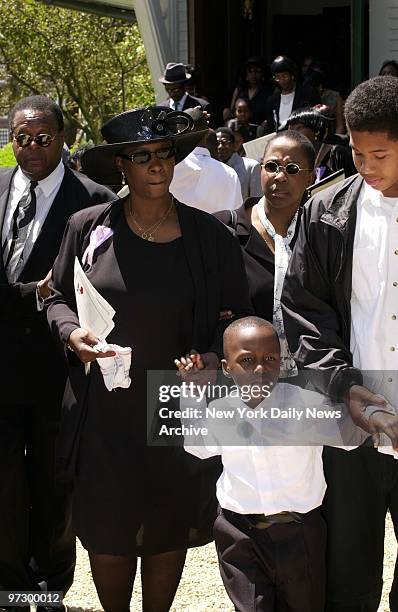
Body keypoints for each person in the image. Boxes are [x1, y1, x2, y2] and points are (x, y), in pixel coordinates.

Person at [46, 106, 252, 612]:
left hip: (174, 406)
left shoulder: (211, 236)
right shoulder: (87, 227)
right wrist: (73, 334)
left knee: (167, 527)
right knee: (109, 530)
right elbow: (54, 298)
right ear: (122, 165)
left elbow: (238, 318)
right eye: (143, 156)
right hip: (105, 410)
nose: (158, 165)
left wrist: (211, 354)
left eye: (165, 154)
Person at [281, 75, 398, 611]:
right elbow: (305, 307)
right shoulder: (327, 211)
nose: (367, 166)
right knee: (347, 566)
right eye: (356, 151)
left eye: (380, 153)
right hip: (354, 418)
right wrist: (341, 384)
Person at [0, 95, 114, 606]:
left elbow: (98, 283)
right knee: (3, 486)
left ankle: (48, 589)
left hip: (60, 369)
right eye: (22, 137)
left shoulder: (94, 198)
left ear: (63, 138)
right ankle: (10, 589)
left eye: (43, 137)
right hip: (0, 368)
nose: (32, 147)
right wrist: (34, 291)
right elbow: (36, 285)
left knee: (54, 484)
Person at [179, 316, 327, 611]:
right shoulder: (221, 410)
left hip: (299, 533)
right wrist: (191, 393)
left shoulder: (308, 405)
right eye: (246, 360)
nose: (259, 369)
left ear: (281, 362)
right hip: (240, 534)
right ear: (226, 368)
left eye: (269, 358)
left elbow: (351, 435)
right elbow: (197, 447)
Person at [215, 130, 315, 378]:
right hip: (241, 386)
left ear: (310, 178)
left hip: (308, 384)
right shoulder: (224, 231)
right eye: (271, 166)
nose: (280, 176)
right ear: (260, 170)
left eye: (292, 169)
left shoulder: (318, 236)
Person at [169, 108, 242, 213]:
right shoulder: (229, 174)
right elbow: (236, 215)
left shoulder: (170, 169)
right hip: (219, 229)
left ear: (177, 133)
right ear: (208, 133)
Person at [285, 108, 356, 181]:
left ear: (315, 129)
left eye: (299, 128)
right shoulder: (292, 160)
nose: (294, 133)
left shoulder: (337, 154)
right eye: (290, 130)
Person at [265, 56, 320, 133]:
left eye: (285, 76)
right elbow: (271, 127)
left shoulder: (308, 93)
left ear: (292, 75)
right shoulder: (272, 100)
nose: (282, 80)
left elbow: (316, 120)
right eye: (277, 77)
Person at [216, 127, 262, 199]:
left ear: (234, 145)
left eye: (224, 143)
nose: (220, 147)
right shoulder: (211, 167)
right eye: (217, 143)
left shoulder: (251, 166)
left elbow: (256, 199)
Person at [226, 57, 273, 126]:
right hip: (239, 128)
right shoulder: (239, 90)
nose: (253, 74)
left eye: (257, 71)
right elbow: (232, 111)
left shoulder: (269, 92)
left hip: (260, 129)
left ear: (263, 74)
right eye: (250, 71)